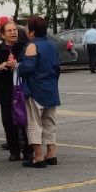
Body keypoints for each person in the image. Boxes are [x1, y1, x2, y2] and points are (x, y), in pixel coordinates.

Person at [17, 16, 62, 169]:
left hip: (36, 88)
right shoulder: (52, 45)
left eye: (27, 27)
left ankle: (38, 156)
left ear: (32, 32)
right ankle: (51, 153)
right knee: (50, 122)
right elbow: (57, 68)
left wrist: (18, 66)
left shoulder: (32, 46)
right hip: (51, 88)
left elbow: (27, 68)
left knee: (34, 123)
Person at [0, 21, 32, 162]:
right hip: (6, 90)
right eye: (9, 31)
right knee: (9, 121)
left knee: (25, 120)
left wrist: (17, 65)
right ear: (2, 34)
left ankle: (28, 150)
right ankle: (14, 150)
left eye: (15, 30)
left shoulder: (24, 47)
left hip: (22, 89)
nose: (13, 32)